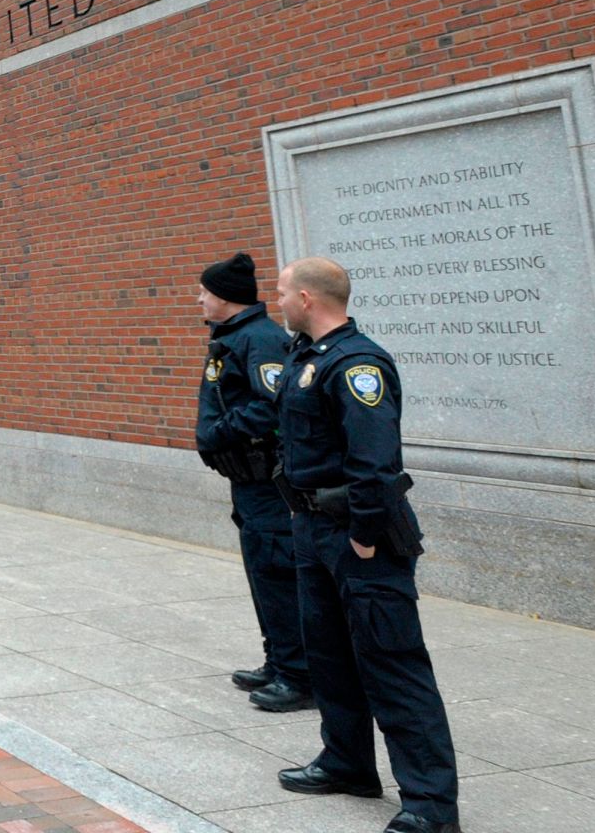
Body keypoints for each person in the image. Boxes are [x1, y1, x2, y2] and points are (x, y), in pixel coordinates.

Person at [271, 257, 459, 833]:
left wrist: (365, 537)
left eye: (281, 293)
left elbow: (375, 463)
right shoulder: (307, 357)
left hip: (357, 535)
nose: (275, 301)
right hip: (311, 530)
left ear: (307, 298)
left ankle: (429, 804)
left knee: (391, 663)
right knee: (329, 656)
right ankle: (347, 761)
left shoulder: (358, 364)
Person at [193, 252, 310, 713]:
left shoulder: (258, 340)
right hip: (247, 482)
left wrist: (216, 434)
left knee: (279, 575)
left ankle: (300, 676)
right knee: (263, 573)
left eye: (204, 291)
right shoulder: (234, 337)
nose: (199, 299)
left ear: (224, 297)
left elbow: (272, 403)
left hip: (268, 485)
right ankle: (279, 661)